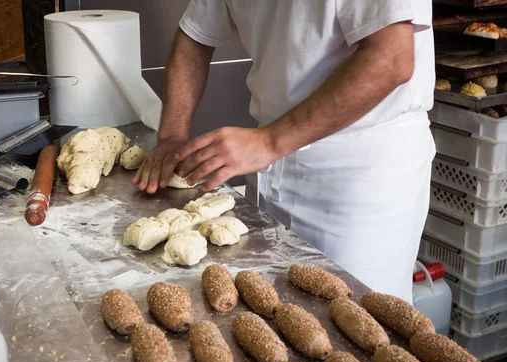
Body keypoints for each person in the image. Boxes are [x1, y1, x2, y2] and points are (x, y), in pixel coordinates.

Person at [132, 1, 435, 303]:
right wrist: (172, 135)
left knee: (358, 317)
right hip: (270, 160)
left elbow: (391, 58)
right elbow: (195, 36)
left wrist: (268, 142)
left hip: (359, 176)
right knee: (267, 311)